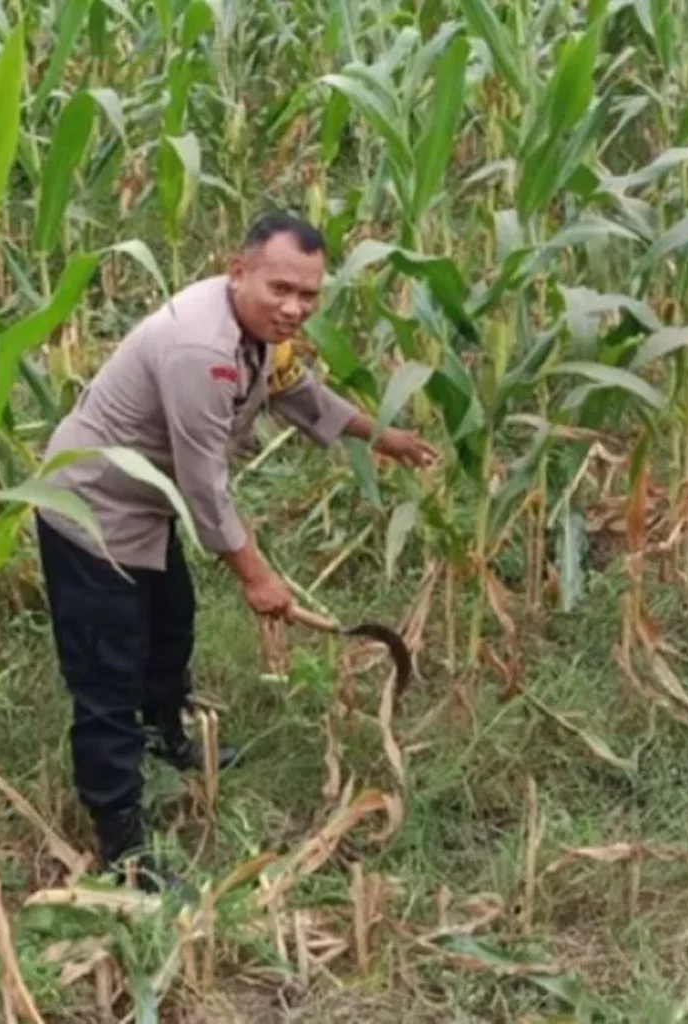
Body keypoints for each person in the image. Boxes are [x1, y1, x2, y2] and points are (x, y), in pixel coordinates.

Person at [35, 212, 437, 885]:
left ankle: (167, 743)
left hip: (143, 502)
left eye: (309, 295)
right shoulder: (202, 351)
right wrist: (257, 578)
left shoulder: (261, 331)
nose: (294, 308)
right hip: (91, 507)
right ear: (237, 270)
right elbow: (203, 482)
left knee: (171, 628)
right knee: (109, 675)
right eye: (281, 288)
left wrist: (379, 435)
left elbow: (296, 392)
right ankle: (123, 847)